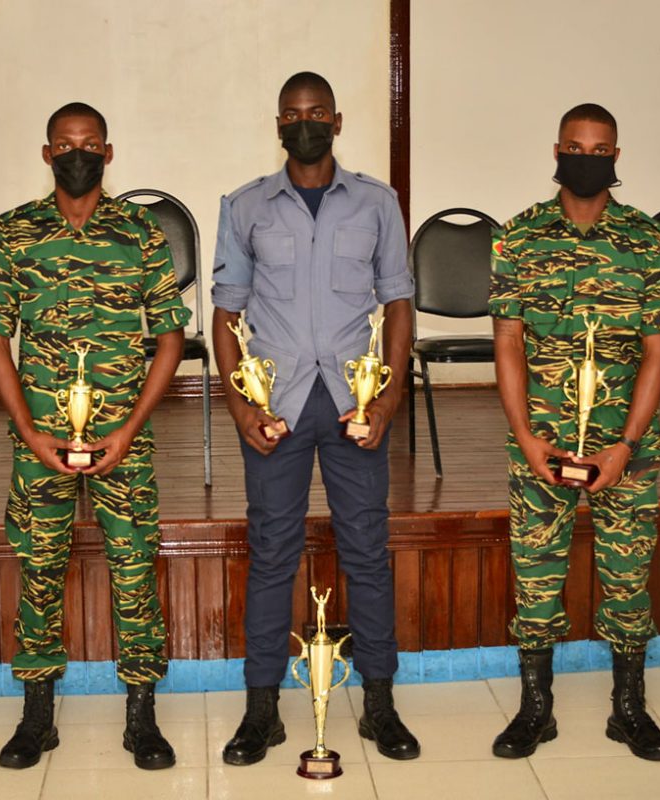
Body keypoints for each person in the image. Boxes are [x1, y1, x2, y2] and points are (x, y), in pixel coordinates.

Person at [212, 71, 420, 764]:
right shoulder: (244, 207)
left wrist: (387, 398)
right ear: (279, 125)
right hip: (277, 405)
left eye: (317, 113)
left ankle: (380, 704)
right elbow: (225, 314)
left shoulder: (377, 204)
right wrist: (240, 404)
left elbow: (397, 304)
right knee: (272, 551)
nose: (305, 123)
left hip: (355, 403)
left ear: (337, 120)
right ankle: (261, 708)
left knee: (367, 548)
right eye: (292, 114)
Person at [0, 102, 189, 771]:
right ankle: (38, 713)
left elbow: (171, 337)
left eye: (90, 144)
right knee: (38, 568)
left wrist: (130, 427)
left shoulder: (140, 232)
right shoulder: (14, 232)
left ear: (109, 152)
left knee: (133, 570)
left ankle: (141, 714)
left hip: (123, 436)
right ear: (46, 154)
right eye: (65, 144)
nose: (77, 154)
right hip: (40, 438)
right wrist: (26, 429)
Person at [489, 103, 660, 761]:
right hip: (542, 437)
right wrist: (525, 435)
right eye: (576, 146)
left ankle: (629, 711)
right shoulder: (518, 236)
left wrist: (625, 445)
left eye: (600, 150)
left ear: (616, 159)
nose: (587, 158)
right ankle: (535, 710)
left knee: (628, 576)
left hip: (625, 441)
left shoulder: (648, 241)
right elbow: (508, 341)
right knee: (536, 573)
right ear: (556, 150)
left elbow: (658, 351)